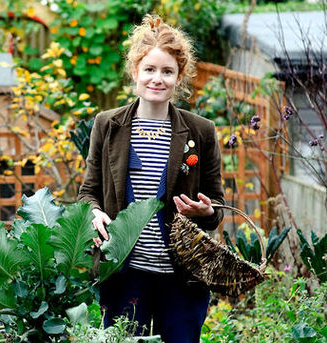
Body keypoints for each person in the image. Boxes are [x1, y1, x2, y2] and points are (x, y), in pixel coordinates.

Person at [77, 14, 225, 343]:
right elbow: (88, 192)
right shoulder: (107, 125)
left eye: (167, 71)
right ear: (135, 72)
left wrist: (206, 212)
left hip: (181, 279)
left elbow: (218, 207)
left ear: (179, 77)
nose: (157, 79)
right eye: (150, 69)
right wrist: (93, 211)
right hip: (124, 275)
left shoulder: (201, 131)